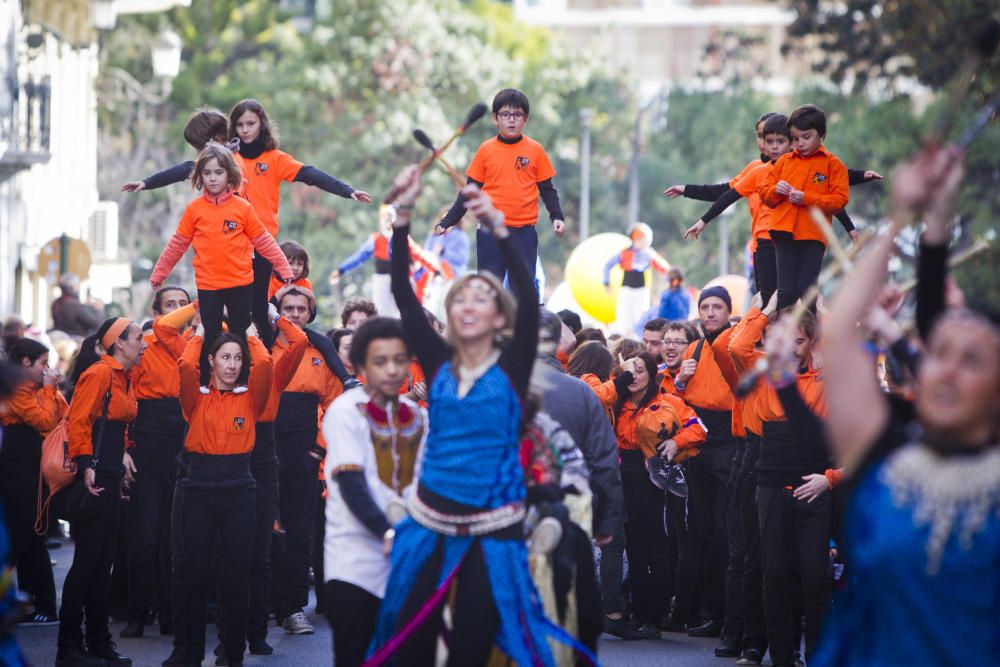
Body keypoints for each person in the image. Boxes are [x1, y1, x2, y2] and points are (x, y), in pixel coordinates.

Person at [369, 165, 589, 665]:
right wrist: (401, 216)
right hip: (428, 518)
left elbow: (530, 297)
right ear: (449, 313)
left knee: (473, 645)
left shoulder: (511, 366)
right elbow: (404, 293)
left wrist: (499, 227)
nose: (469, 304)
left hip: (495, 526)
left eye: (482, 298)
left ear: (499, 316)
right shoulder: (437, 359)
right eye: (460, 297)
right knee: (410, 644)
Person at [814, 145, 1000, 666]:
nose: (946, 369)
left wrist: (936, 227)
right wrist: (901, 218)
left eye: (972, 361)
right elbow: (838, 341)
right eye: (937, 354)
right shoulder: (884, 457)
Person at [684, 114, 881, 305]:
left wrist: (860, 182)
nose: (772, 146)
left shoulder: (804, 165)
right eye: (765, 139)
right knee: (771, 296)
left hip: (796, 235)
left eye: (780, 141)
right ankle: (768, 332)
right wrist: (702, 218)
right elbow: (727, 194)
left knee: (801, 293)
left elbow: (831, 184)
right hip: (767, 238)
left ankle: (804, 331)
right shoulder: (758, 170)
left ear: (791, 142)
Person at [730, 297, 830, 666]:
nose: (791, 346)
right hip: (769, 472)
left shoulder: (825, 374)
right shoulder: (763, 370)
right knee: (773, 571)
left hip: (814, 476)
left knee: (815, 573)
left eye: (800, 340)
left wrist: (829, 478)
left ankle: (818, 654)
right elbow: (737, 345)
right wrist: (765, 308)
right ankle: (783, 656)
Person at [321, 317, 426, 666]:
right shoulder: (344, 410)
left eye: (400, 360)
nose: (393, 370)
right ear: (362, 365)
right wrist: (388, 531)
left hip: (408, 559)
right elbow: (351, 482)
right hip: (354, 561)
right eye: (381, 362)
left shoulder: (417, 416)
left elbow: (425, 484)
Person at [227, 99, 372, 344]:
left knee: (260, 309)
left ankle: (267, 362)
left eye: (250, 123)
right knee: (234, 307)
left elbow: (310, 174)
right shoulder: (228, 157)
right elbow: (197, 170)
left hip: (261, 241)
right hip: (231, 240)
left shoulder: (274, 159)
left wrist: (347, 190)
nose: (245, 129)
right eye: (239, 124)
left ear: (261, 124)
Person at [150, 142, 293, 389]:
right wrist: (159, 274)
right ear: (199, 176)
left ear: (229, 174)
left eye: (218, 172)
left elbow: (264, 241)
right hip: (209, 284)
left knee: (239, 331)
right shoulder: (195, 209)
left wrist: (284, 267)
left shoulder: (242, 208)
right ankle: (207, 379)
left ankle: (242, 380)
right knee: (211, 331)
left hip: (240, 282)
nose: (213, 178)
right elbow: (177, 244)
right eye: (207, 173)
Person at [534, 309, 625, 645]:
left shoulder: (492, 387)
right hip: (570, 513)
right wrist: (608, 521)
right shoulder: (582, 392)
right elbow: (605, 462)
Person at [58, 317, 144, 667]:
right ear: (119, 343)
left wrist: (121, 457)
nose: (144, 343)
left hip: (107, 474)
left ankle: (97, 643)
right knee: (87, 564)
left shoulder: (123, 376)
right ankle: (69, 647)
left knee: (101, 563)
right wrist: (86, 465)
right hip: (93, 476)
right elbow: (78, 421)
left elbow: (115, 423)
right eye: (139, 338)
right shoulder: (100, 373)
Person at [614, 351, 707, 638]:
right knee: (634, 547)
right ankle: (639, 613)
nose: (633, 376)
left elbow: (699, 429)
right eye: (628, 370)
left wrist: (676, 442)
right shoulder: (614, 404)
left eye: (640, 370)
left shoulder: (668, 402)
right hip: (622, 478)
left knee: (659, 546)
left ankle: (656, 613)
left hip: (657, 479)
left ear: (652, 374)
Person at [436, 89, 566, 288]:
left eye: (517, 115)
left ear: (526, 119)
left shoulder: (535, 150)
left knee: (522, 292)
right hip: (490, 232)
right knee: (489, 289)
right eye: (505, 115)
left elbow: (547, 189)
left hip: (524, 233)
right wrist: (448, 221)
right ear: (495, 118)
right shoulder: (486, 150)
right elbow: (469, 191)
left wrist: (556, 216)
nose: (511, 120)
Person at [120, 287, 192, 639]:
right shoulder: (143, 342)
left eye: (182, 304)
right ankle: (136, 614)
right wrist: (125, 447)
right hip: (146, 439)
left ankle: (170, 615)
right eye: (170, 305)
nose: (178, 310)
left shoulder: (193, 342)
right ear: (157, 310)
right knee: (145, 536)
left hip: (181, 440)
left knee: (174, 537)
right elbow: (123, 398)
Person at [272, 286, 344, 635]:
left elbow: (335, 405)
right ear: (277, 310)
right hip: (264, 447)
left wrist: (317, 450)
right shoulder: (263, 345)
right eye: (289, 307)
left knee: (300, 533)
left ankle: (294, 607)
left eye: (302, 308)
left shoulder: (320, 352)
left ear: (310, 313)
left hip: (304, 451)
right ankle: (265, 605)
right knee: (263, 531)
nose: (296, 313)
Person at [672, 285, 738, 638]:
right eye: (705, 307)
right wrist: (681, 379)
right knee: (703, 532)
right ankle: (712, 612)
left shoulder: (738, 344)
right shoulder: (694, 348)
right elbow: (680, 399)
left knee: (727, 532)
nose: (710, 313)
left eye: (717, 307)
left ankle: (730, 616)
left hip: (729, 444)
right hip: (698, 443)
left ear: (729, 311)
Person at [0, 338, 66, 626]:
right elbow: (44, 421)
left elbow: (58, 415)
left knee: (29, 533)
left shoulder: (37, 388)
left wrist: (50, 389)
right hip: (17, 467)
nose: (47, 369)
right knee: (24, 534)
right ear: (26, 363)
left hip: (28, 466)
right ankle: (35, 602)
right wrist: (50, 389)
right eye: (42, 363)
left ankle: (40, 603)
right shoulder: (18, 389)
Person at [758, 105, 850, 310]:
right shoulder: (783, 162)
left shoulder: (833, 165)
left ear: (821, 135)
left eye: (806, 137)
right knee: (786, 291)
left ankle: (808, 337)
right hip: (783, 231)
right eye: (795, 138)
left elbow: (839, 200)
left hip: (812, 235)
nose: (800, 143)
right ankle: (785, 335)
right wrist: (775, 190)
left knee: (808, 291)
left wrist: (807, 198)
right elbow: (764, 193)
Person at [331, 205, 441, 317]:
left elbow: (418, 254)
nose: (388, 220)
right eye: (385, 217)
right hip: (382, 279)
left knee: (403, 313)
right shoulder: (376, 239)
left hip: (401, 278)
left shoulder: (403, 237)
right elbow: (360, 256)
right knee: (381, 313)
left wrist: (435, 270)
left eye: (390, 216)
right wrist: (341, 270)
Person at [121, 108, 247, 196]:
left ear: (216, 140)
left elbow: (186, 169)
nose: (199, 155)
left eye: (200, 149)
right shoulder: (231, 154)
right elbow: (183, 170)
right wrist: (146, 183)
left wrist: (146, 183)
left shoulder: (228, 162)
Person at [603, 223, 670, 335]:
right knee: (623, 317)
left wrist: (671, 283)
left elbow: (665, 268)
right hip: (626, 290)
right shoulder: (624, 253)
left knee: (641, 317)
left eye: (643, 239)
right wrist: (606, 282)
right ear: (634, 239)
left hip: (641, 291)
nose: (641, 241)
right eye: (638, 238)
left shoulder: (649, 254)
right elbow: (608, 265)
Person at [51, 273, 102, 338]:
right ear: (73, 286)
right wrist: (99, 309)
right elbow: (95, 324)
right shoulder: (74, 305)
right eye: (78, 284)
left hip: (61, 339)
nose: (79, 286)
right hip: (76, 342)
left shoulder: (56, 302)